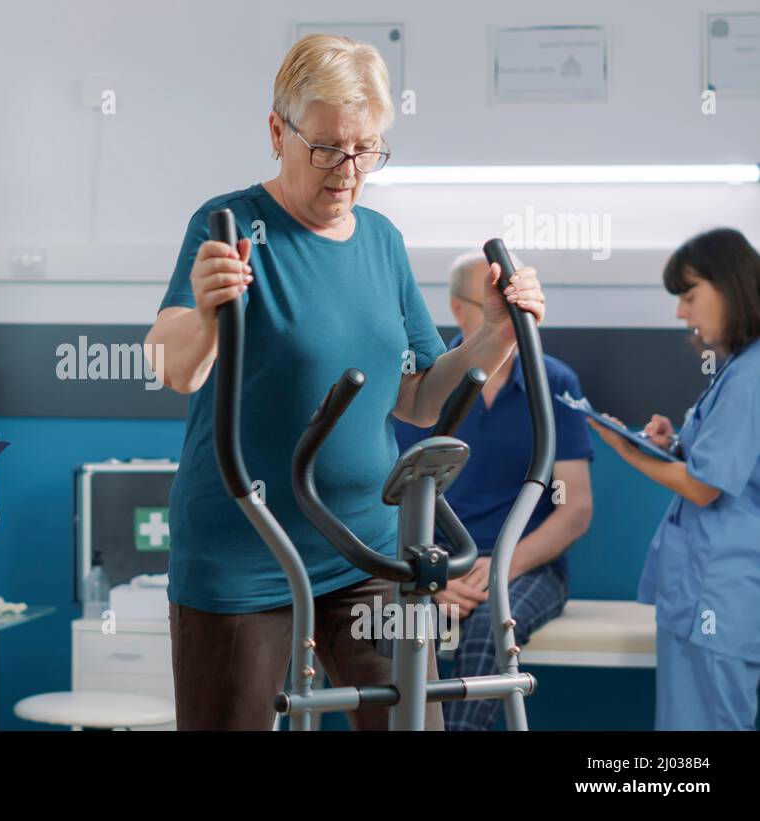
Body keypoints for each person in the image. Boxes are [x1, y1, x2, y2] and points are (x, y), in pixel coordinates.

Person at [144, 34, 547, 731]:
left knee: (412, 720)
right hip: (247, 554)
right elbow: (170, 363)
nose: (348, 170)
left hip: (366, 549)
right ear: (278, 130)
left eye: (366, 149)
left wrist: (493, 332)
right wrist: (210, 317)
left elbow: (419, 396)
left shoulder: (382, 241)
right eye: (328, 147)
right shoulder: (233, 226)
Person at [394, 252, 593, 731]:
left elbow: (575, 508)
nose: (506, 322)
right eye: (492, 308)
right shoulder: (427, 386)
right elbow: (398, 494)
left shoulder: (554, 381)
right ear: (458, 308)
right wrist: (436, 574)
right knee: (392, 629)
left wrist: (499, 568)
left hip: (527, 565)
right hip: (440, 564)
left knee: (488, 629)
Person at [590, 228, 760, 730]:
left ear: (730, 287)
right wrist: (673, 445)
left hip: (717, 598)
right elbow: (728, 464)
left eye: (689, 296)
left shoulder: (750, 375)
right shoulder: (737, 370)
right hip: (713, 594)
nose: (682, 313)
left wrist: (627, 451)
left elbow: (705, 487)